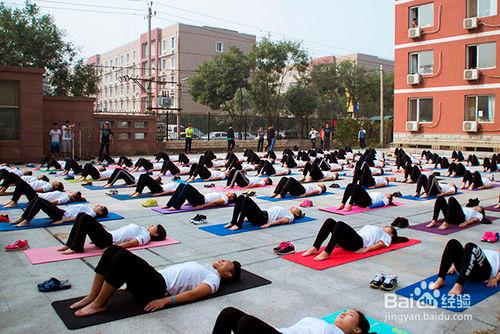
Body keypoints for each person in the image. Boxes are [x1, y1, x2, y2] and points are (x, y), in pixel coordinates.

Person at [68, 245, 241, 317]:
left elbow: (195, 294)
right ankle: (93, 296)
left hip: (157, 289)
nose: (223, 260)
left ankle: (100, 303)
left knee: (122, 257)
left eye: (228, 263)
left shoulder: (214, 279)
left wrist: (164, 301)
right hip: (151, 281)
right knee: (112, 250)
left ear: (228, 275)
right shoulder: (208, 268)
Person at [58, 213, 167, 254]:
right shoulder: (143, 230)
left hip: (107, 241)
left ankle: (77, 247)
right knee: (81, 215)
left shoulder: (146, 236)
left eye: (154, 226)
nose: (151, 225)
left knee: (85, 218)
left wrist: (112, 249)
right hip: (107, 235)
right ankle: (69, 244)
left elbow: (131, 243)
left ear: (156, 234)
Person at [302, 219, 408, 261]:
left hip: (359, 243)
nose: (385, 227)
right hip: (353, 239)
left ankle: (327, 252)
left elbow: (382, 245)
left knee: (339, 224)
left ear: (391, 233)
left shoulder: (387, 236)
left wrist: (366, 250)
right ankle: (315, 247)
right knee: (330, 222)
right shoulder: (380, 229)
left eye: (388, 228)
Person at [212, 307, 370, 334]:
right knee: (229, 314)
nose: (344, 313)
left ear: (356, 330)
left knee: (247, 323)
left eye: (350, 315)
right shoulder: (328, 325)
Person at [430, 239, 499, 295]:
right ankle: (440, 279)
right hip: (464, 270)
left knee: (471, 246)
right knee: (453, 242)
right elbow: (467, 256)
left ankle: (459, 285)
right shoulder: (493, 252)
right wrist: (454, 266)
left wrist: (496, 278)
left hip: (483, 274)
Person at [224, 195, 303, 231]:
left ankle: (239, 224)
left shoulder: (291, 216)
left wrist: (269, 224)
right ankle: (233, 221)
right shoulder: (286, 209)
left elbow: (281, 221)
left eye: (297, 209)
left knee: (247, 199)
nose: (295, 207)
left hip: (263, 219)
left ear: (297, 214)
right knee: (241, 198)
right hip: (259, 215)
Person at [11, 199, 108, 227]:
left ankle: (26, 220)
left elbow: (79, 217)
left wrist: (63, 220)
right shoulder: (90, 210)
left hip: (61, 215)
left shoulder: (92, 214)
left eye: (100, 206)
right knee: (36, 199)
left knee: (39, 202)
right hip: (61, 212)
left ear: (100, 212)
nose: (98, 204)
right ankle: (23, 218)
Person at [162, 183, 236, 211]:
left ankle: (176, 206)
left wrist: (202, 206)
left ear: (232, 198)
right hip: (199, 199)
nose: (229, 193)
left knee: (187, 186)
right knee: (181, 185)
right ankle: (169, 204)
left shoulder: (225, 199)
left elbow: (216, 202)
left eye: (231, 194)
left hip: (201, 200)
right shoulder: (224, 196)